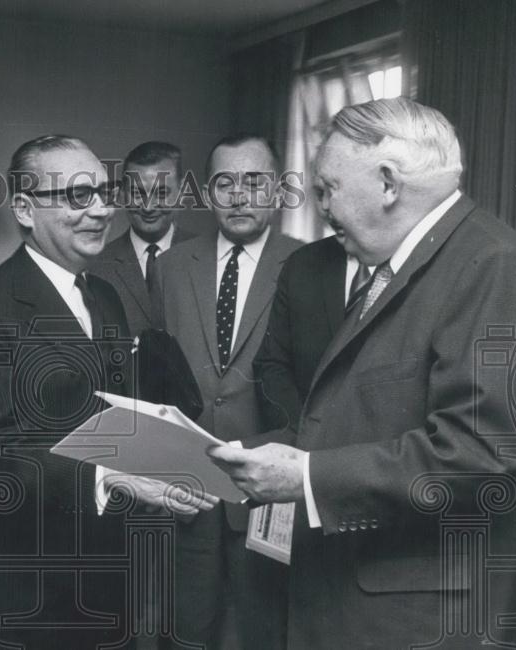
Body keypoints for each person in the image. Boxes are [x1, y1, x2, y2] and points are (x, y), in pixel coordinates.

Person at [208, 97, 516, 649]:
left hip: (429, 621)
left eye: (329, 189)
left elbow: (482, 455)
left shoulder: (491, 263)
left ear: (389, 183)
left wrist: (306, 477)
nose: (321, 207)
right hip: (376, 603)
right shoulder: (404, 267)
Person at [0, 135, 209, 649]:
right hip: (31, 587)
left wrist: (174, 461)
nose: (102, 210)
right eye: (76, 197)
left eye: (104, 193)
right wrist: (116, 476)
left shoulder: (104, 296)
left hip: (110, 576)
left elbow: (115, 413)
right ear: (23, 209)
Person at [153, 135, 301, 649]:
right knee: (184, 632)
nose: (239, 196)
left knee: (261, 635)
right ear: (208, 193)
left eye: (254, 182)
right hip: (187, 491)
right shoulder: (171, 266)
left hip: (268, 495)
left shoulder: (308, 266)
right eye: (224, 182)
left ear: (279, 191)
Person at [253, 236, 367, 431]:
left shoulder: (419, 260)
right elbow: (272, 363)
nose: (325, 207)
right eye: (321, 202)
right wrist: (303, 440)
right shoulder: (303, 261)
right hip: (301, 444)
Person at [89, 141, 195, 336]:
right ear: (122, 194)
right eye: (137, 193)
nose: (148, 206)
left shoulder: (210, 258)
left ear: (181, 192)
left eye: (161, 193)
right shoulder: (95, 267)